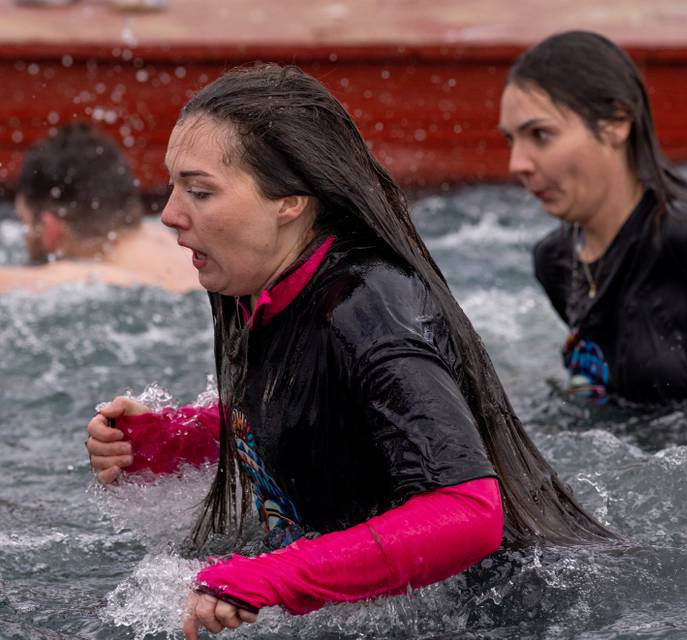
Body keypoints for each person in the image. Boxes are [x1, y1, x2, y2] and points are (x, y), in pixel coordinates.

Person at [85, 64, 614, 638]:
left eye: (201, 191)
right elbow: (322, 411)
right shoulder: (263, 286)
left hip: (516, 612)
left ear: (291, 202)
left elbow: (469, 513)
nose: (170, 214)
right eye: (172, 185)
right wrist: (176, 438)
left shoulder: (370, 308)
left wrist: (275, 576)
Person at [499, 30, 687, 413]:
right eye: (511, 139)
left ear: (616, 123)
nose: (517, 164)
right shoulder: (555, 260)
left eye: (540, 135)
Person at [0, 122, 199, 293]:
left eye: (24, 220)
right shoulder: (182, 248)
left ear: (50, 228)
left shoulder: (82, 278)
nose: (24, 234)